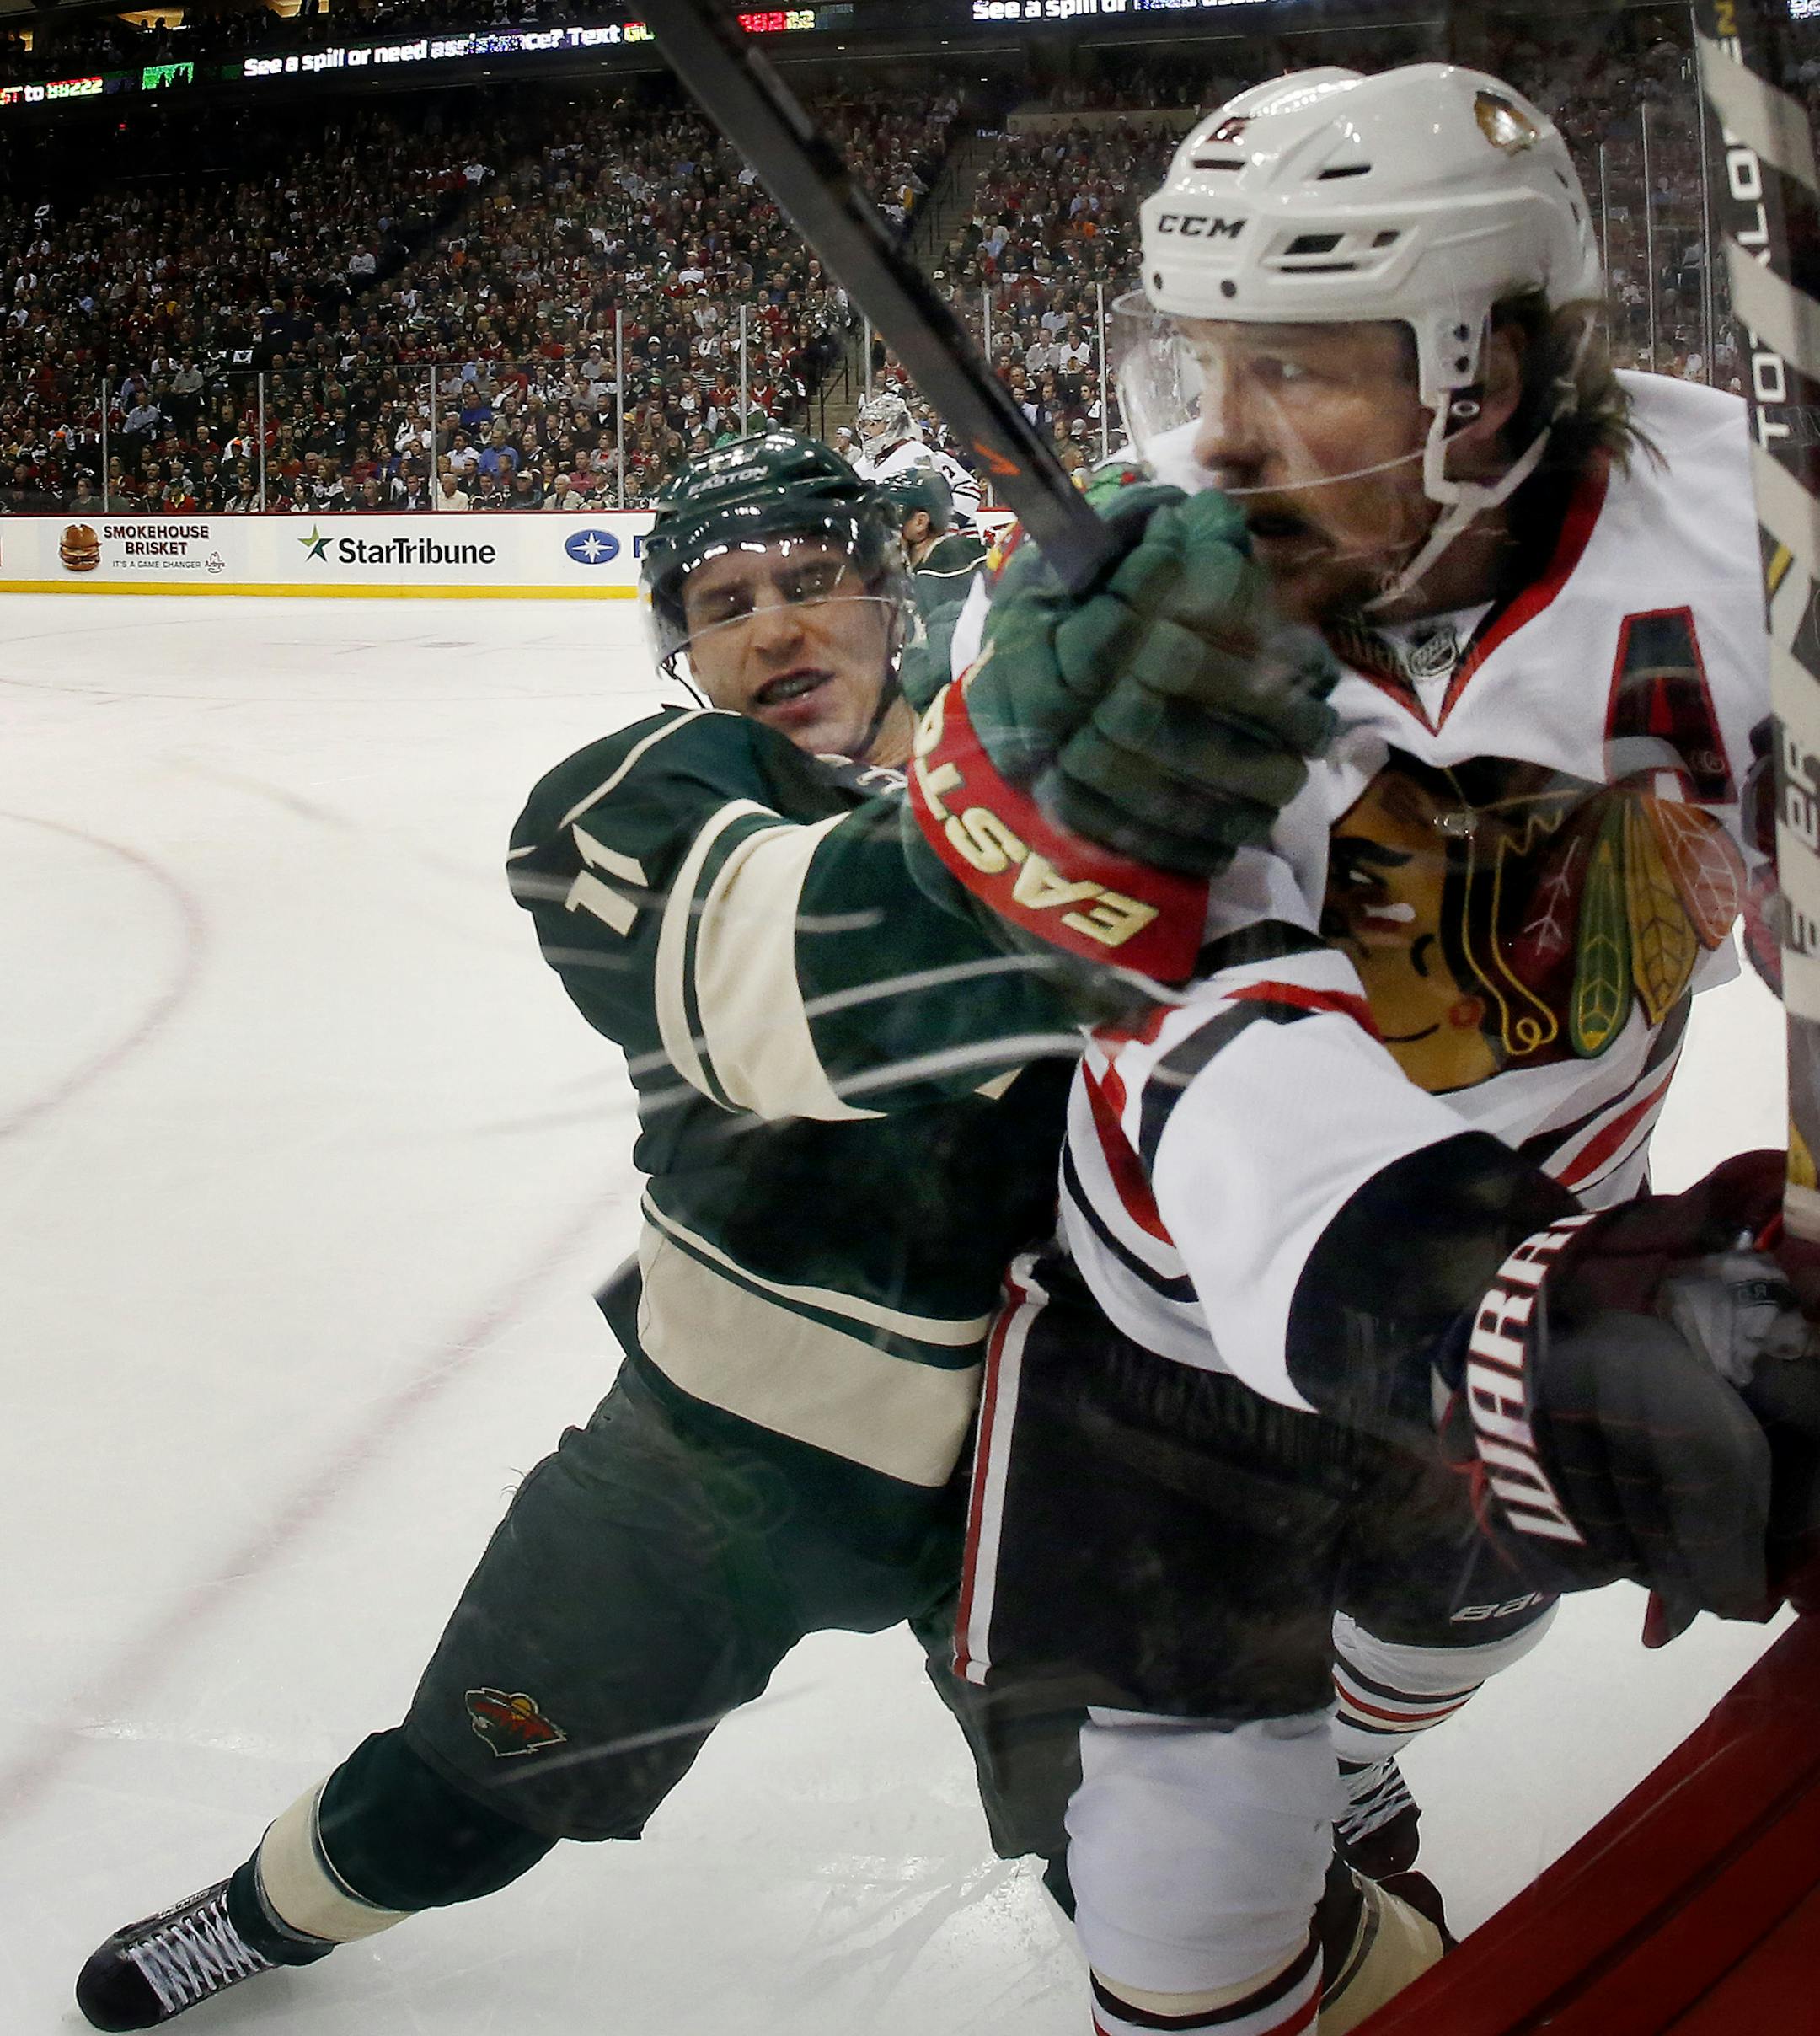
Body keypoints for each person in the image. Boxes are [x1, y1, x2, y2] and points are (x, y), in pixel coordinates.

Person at [72, 432, 1333, 2031]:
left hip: (1067, 1457)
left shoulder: (1037, 751)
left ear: (892, 595)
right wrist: (1105, 761)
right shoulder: (626, 805)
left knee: (1178, 1872)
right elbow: (862, 981)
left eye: (813, 583)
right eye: (724, 602)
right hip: (729, 1455)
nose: (774, 631)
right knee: (462, 1789)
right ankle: (266, 1913)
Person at [906, 63, 1807, 2036]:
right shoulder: (1098, 608)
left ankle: (1350, 1756)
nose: (1214, 442)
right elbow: (1169, 1025)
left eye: (1297, 371)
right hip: (1177, 1355)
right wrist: (1499, 1311)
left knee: (1444, 1623)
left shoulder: (1741, 520)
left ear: (1486, 369)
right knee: (1174, 1938)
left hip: (1567, 1256)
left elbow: (1769, 890)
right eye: (1191, 365)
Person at [853, 389, 983, 533]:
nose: (866, 431)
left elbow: (967, 489)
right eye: (865, 425)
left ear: (893, 425)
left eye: (873, 424)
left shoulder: (919, 455)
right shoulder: (863, 463)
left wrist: (946, 522)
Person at [880, 465, 988, 624]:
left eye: (890, 517)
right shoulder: (911, 569)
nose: (883, 528)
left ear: (920, 522)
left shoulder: (950, 563)